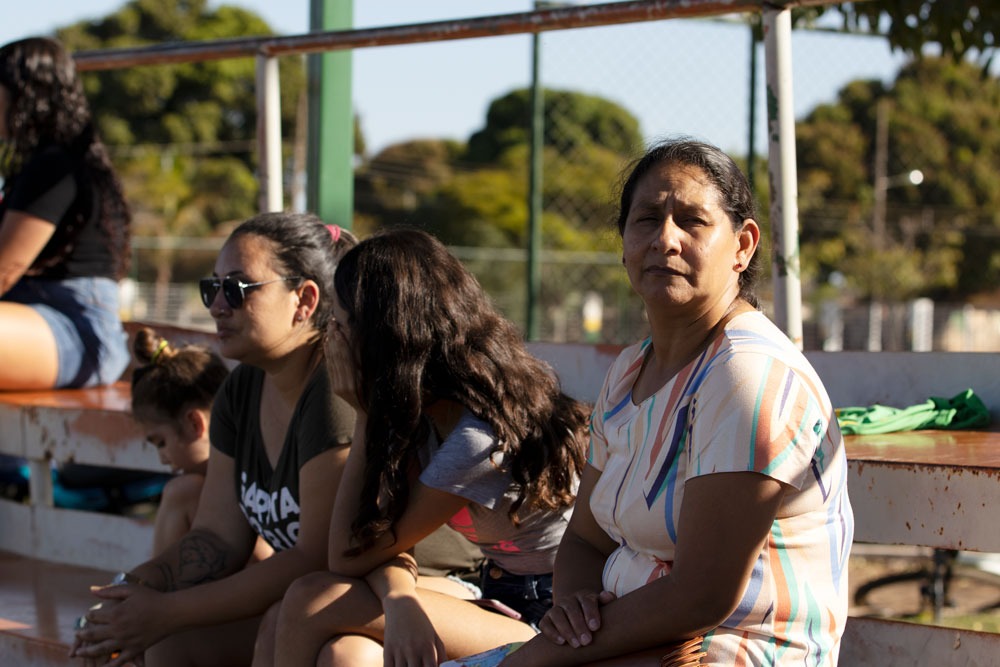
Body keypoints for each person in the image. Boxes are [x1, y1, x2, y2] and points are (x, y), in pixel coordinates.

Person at [499, 138, 854, 666]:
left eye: (692, 221)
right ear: (623, 243)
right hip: (630, 639)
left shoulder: (745, 374)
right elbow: (584, 541)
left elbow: (702, 595)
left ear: (743, 246)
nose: (665, 239)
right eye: (646, 219)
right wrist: (573, 613)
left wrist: (539, 657)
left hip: (731, 651)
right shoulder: (628, 371)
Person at [254, 228, 591, 667]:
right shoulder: (427, 411)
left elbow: (345, 556)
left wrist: (362, 413)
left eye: (338, 324)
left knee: (308, 600)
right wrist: (399, 602)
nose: (329, 339)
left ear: (379, 335)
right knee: (328, 641)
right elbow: (378, 544)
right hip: (497, 587)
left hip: (551, 616)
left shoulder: (478, 440)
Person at [70, 212, 358, 667]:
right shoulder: (241, 389)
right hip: (301, 602)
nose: (217, 306)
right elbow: (217, 536)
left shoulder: (332, 388)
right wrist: (130, 593)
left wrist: (166, 611)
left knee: (263, 628)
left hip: (388, 597)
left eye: (237, 289)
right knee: (157, 645)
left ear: (303, 300)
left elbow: (313, 557)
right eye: (212, 288)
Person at [0, 36, 131, 390]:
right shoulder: (39, 167)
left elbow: (3, 271)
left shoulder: (55, 167)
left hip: (76, 330)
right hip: (33, 316)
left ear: (24, 93)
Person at [129, 325, 274, 561]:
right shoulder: (259, 460)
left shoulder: (188, 490)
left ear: (195, 424)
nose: (163, 458)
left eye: (161, 443)